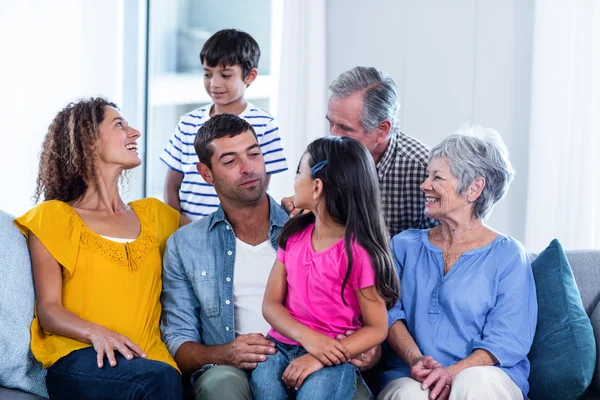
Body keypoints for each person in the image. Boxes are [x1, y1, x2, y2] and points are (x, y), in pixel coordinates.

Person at [160, 114, 373, 400]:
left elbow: (369, 313)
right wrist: (226, 353)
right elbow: (177, 342)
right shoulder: (185, 245)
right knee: (221, 384)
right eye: (230, 161)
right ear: (206, 173)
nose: (248, 168)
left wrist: (367, 349)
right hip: (233, 369)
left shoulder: (309, 226)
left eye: (254, 154)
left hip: (318, 357)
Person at [14, 98, 185, 399]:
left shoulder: (157, 216)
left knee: (160, 378)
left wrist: (290, 208)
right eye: (120, 125)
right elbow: (49, 309)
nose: (135, 133)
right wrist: (96, 332)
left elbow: (219, 234)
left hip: (150, 362)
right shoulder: (54, 216)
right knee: (154, 381)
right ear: (89, 142)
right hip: (80, 356)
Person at [379, 126, 537, 400]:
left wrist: (453, 372)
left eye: (437, 177)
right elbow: (388, 313)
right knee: (410, 395)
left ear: (474, 188)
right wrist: (416, 360)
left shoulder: (509, 255)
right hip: (412, 374)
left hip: (484, 374)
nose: (424, 185)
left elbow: (507, 339)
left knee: (473, 383)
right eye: (427, 176)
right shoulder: (403, 246)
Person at [249, 136, 400, 400]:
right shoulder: (293, 236)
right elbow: (271, 305)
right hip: (282, 346)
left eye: (299, 173)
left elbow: (377, 328)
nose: (294, 181)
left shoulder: (359, 253)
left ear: (317, 187)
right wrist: (308, 339)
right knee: (264, 385)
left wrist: (321, 356)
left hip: (333, 354)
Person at [283, 66, 436, 237]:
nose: (332, 135)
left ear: (382, 130)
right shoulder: (320, 157)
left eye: (344, 128)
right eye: (331, 123)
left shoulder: (424, 170)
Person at [161, 28, 288, 221]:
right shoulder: (187, 123)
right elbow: (171, 185)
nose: (214, 84)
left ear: (250, 76)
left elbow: (258, 190)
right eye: (207, 74)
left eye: (226, 75)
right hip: (187, 231)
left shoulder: (265, 125)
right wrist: (180, 226)